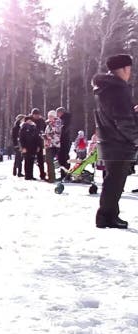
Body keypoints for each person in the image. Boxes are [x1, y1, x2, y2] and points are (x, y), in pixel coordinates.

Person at [91, 54, 138, 229]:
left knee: (112, 181)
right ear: (125, 69)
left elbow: (113, 115)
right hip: (119, 142)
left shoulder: (104, 88)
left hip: (108, 139)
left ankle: (110, 215)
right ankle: (105, 216)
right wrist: (136, 138)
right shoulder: (119, 89)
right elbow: (122, 120)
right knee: (115, 182)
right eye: (130, 69)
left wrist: (132, 112)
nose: (130, 73)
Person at [44, 110, 62, 182]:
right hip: (49, 145)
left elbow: (57, 133)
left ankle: (59, 176)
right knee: (49, 161)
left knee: (57, 161)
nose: (49, 118)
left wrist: (49, 136)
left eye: (51, 116)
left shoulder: (58, 123)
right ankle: (51, 177)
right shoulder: (49, 124)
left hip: (56, 144)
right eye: (49, 116)